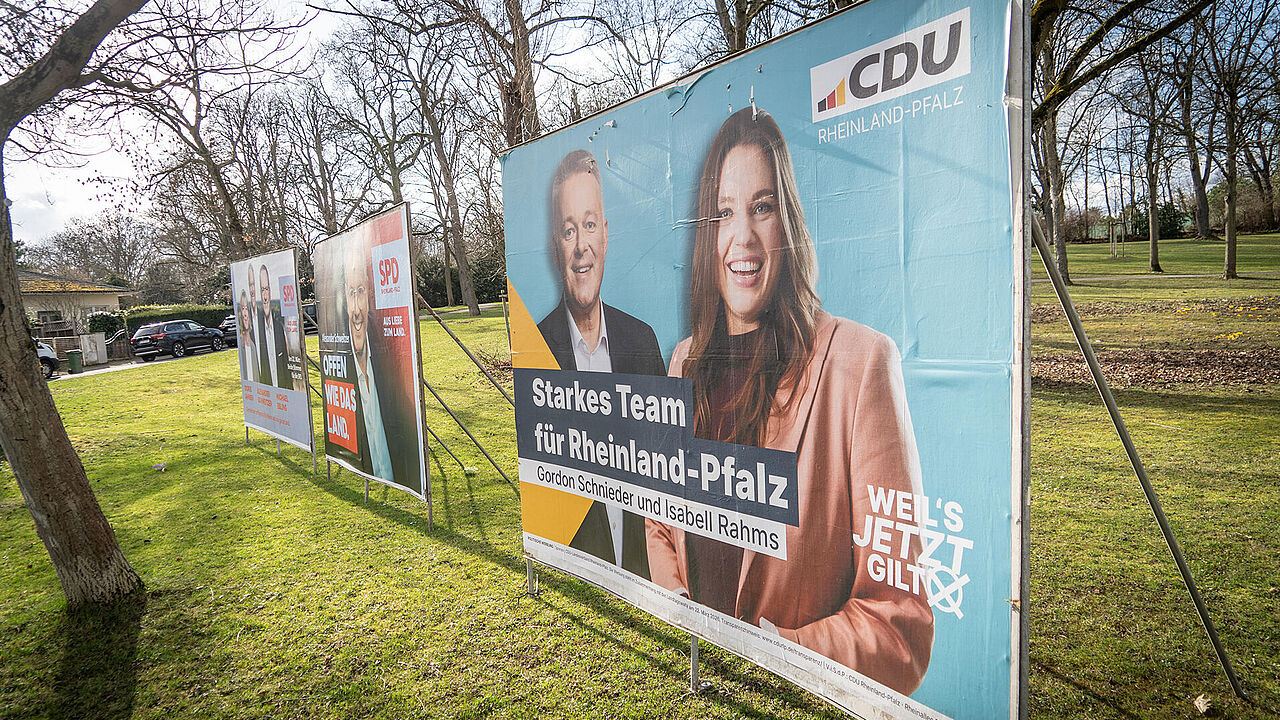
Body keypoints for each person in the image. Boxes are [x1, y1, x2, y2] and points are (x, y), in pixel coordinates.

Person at [645, 108, 934, 694]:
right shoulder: (683, 361)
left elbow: (900, 628)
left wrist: (775, 658)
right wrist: (678, 611)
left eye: (762, 207)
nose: (742, 237)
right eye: (723, 212)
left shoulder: (860, 364)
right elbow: (661, 519)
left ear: (788, 222)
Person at [536, 149, 665, 581]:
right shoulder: (539, 353)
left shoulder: (642, 343)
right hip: (579, 588)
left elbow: (666, 471)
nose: (581, 247)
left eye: (589, 225)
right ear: (556, 246)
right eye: (568, 230)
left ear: (606, 234)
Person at [344, 234, 421, 493]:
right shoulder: (342, 367)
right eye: (351, 293)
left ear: (371, 297)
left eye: (361, 292)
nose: (356, 308)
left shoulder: (390, 367)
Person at [258, 265, 291, 389]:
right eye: (262, 290)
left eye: (267, 289)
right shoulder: (257, 331)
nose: (265, 296)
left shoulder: (279, 328)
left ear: (270, 291)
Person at [236, 290, 258, 383]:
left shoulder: (256, 342)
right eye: (242, 308)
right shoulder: (241, 343)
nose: (245, 313)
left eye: (246, 308)